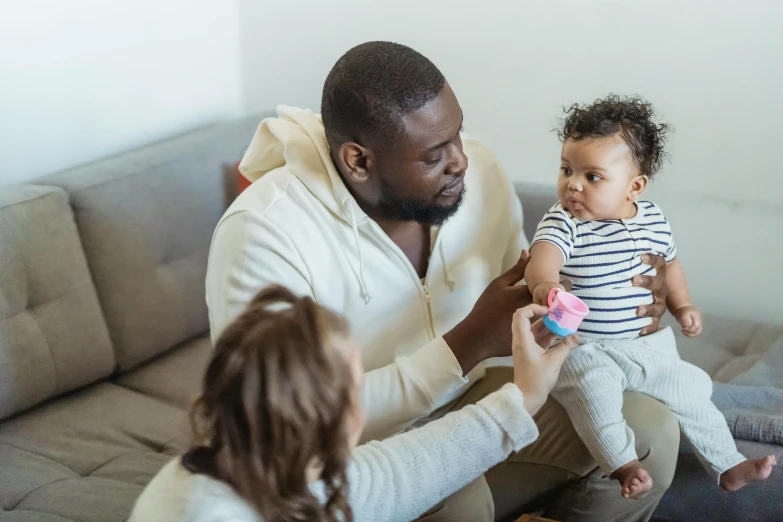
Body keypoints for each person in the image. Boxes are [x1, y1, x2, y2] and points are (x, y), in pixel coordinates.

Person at [206, 41, 679, 521]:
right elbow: (279, 426)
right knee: (457, 500)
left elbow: (534, 296)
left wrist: (619, 292)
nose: (462, 161)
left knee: (649, 433)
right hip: (346, 452)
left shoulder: (480, 172)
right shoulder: (263, 233)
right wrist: (464, 345)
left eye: (458, 134)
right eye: (434, 155)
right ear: (359, 161)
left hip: (467, 399)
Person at [128, 286, 579, 521]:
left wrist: (523, 395)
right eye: (355, 386)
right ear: (333, 418)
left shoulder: (282, 465)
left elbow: (405, 470)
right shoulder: (204, 513)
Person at [524, 94, 776, 499]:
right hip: (585, 346)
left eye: (592, 177)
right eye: (566, 169)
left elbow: (670, 265)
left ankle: (728, 465)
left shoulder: (654, 219)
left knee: (690, 389)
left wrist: (683, 306)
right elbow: (543, 257)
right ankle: (624, 465)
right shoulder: (564, 220)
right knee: (592, 392)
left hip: (646, 346)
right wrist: (544, 286)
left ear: (634, 187)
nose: (572, 184)